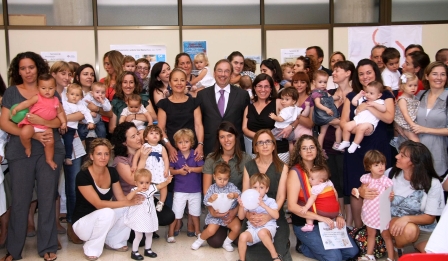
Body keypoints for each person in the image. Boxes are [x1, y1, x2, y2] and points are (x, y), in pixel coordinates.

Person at [0, 52, 65, 261]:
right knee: (20, 201)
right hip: (21, 151)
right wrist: (32, 134)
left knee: (47, 198)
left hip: (50, 149)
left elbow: (58, 122)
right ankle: (14, 250)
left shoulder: (49, 89)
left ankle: (47, 247)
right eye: (22, 68)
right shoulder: (11, 92)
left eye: (31, 67)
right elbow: (4, 123)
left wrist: (41, 123)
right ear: (17, 71)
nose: (27, 72)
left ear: (38, 67)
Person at [358, 141, 445, 258]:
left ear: (414, 162)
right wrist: (362, 191)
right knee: (410, 230)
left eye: (402, 155)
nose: (396, 156)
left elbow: (430, 218)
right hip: (394, 222)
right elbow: (368, 182)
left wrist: (407, 218)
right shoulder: (390, 174)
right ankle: (397, 247)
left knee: (432, 255)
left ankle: (406, 249)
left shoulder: (432, 183)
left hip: (425, 229)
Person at [341, 58, 395, 229]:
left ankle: (382, 231)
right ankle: (359, 230)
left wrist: (368, 107)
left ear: (376, 73)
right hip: (356, 147)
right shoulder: (352, 96)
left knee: (381, 188)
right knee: (358, 188)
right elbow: (344, 122)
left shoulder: (385, 93)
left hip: (378, 145)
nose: (365, 76)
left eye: (369, 72)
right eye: (361, 73)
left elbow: (388, 118)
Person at [287, 135, 358, 260]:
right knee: (334, 257)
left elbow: (332, 195)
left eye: (311, 147)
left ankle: (316, 246)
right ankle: (304, 246)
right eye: (304, 148)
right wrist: (320, 218)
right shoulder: (295, 172)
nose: (309, 151)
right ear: (299, 151)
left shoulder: (322, 168)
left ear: (317, 149)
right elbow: (292, 206)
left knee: (352, 252)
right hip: (307, 223)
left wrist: (339, 215)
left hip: (328, 222)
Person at [71, 138, 143, 261]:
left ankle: (114, 241)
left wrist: (135, 195)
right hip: (82, 225)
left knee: (129, 207)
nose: (103, 157)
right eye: (99, 154)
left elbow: (121, 199)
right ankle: (91, 248)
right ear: (91, 156)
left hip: (101, 219)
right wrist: (128, 201)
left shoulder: (112, 172)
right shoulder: (83, 175)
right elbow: (98, 204)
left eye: (106, 154)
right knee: (107, 211)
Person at [110, 122, 175, 242]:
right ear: (124, 142)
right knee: (139, 241)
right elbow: (133, 181)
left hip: (145, 198)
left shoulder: (147, 149)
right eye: (133, 136)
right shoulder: (120, 160)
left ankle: (147, 227)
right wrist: (143, 159)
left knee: (168, 216)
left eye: (138, 134)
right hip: (129, 202)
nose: (138, 138)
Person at [242, 129, 291, 261]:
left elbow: (281, 197)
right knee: (250, 253)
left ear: (274, 145)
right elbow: (245, 195)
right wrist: (248, 215)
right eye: (261, 143)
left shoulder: (283, 167)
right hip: (253, 214)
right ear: (255, 147)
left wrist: (269, 215)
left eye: (268, 142)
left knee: (278, 250)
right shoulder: (249, 166)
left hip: (274, 214)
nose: (265, 145)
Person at [202, 121, 252, 247]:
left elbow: (247, 191)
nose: (226, 140)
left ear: (235, 136)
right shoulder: (211, 158)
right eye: (222, 137)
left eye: (229, 135)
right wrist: (212, 210)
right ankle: (213, 225)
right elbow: (206, 190)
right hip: (217, 209)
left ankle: (231, 228)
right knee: (215, 242)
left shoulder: (246, 159)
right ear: (218, 139)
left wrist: (235, 211)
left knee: (241, 240)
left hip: (238, 209)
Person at [323, 60, 355, 224]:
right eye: (333, 71)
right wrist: (340, 121)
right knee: (334, 182)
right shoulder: (329, 93)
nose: (333, 73)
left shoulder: (356, 95)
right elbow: (321, 118)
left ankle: (350, 221)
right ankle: (340, 216)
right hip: (328, 145)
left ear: (348, 73)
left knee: (346, 182)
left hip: (347, 145)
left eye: (338, 70)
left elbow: (354, 120)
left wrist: (334, 120)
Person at [11, 74, 67, 170]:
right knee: (24, 134)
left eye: (50, 88)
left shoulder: (56, 100)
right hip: (32, 123)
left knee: (50, 142)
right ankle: (28, 147)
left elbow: (60, 113)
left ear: (55, 88)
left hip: (46, 126)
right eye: (43, 88)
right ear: (38, 88)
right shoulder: (37, 97)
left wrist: (64, 122)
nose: (47, 91)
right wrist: (17, 108)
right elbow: (26, 103)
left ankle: (49, 159)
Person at [196, 59, 250, 156]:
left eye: (227, 71)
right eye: (220, 71)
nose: (223, 74)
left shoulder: (242, 95)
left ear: (231, 74)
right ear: (214, 73)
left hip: (235, 148)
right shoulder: (202, 95)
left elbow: (246, 122)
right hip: (210, 146)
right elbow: (199, 122)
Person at [351, 150, 394, 261]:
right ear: (369, 167)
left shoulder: (386, 181)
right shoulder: (366, 179)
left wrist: (391, 196)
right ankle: (369, 255)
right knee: (371, 233)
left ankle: (391, 257)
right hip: (370, 210)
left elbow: (390, 197)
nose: (381, 167)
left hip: (382, 213)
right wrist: (357, 191)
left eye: (382, 164)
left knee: (386, 235)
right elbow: (361, 190)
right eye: (376, 165)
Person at [408, 61, 448, 176]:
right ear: (427, 76)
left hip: (439, 154)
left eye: (443, 74)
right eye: (435, 74)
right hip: (416, 155)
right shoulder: (419, 95)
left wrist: (425, 129)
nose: (439, 78)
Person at [191, 162, 241, 251]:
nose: (222, 182)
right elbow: (206, 201)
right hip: (216, 215)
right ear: (214, 177)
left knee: (237, 228)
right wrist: (211, 199)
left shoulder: (231, 187)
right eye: (219, 179)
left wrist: (234, 195)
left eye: (225, 179)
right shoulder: (212, 188)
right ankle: (199, 240)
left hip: (229, 214)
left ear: (229, 178)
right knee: (210, 231)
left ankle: (227, 243)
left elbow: (239, 195)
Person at [157, 68, 204, 162]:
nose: (179, 83)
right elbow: (160, 128)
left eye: (182, 80)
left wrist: (200, 145)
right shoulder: (163, 104)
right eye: (175, 80)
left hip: (192, 149)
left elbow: (198, 125)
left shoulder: (194, 102)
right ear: (170, 83)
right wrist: (169, 147)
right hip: (172, 150)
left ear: (186, 83)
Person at [124, 169, 172, 260]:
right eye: (141, 182)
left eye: (147, 182)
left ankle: (148, 249)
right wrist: (135, 191)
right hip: (138, 217)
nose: (144, 185)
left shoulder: (150, 189)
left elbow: (160, 186)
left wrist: (167, 181)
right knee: (138, 235)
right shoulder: (135, 190)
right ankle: (134, 251)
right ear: (136, 183)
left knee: (149, 233)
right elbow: (128, 198)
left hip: (149, 216)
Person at [243, 74, 290, 162]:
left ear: (271, 88)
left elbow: (296, 116)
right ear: (254, 88)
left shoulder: (279, 102)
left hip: (279, 151)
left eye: (266, 86)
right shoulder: (249, 107)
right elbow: (244, 129)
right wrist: (261, 138)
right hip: (257, 151)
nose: (263, 90)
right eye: (260, 86)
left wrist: (291, 127)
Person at [167, 128, 204, 241]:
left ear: (191, 142)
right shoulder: (175, 155)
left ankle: (198, 231)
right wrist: (178, 172)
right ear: (176, 144)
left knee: (195, 212)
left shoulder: (196, 154)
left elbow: (202, 168)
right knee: (176, 212)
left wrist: (191, 169)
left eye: (186, 142)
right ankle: (171, 232)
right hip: (180, 189)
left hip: (195, 189)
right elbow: (169, 170)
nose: (183, 145)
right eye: (180, 142)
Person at [237, 173, 281, 261]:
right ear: (251, 189)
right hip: (253, 228)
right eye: (255, 187)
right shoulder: (248, 200)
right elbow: (241, 217)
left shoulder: (270, 201)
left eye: (261, 187)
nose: (258, 190)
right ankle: (241, 259)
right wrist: (241, 206)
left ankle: (275, 257)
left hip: (267, 228)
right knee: (242, 236)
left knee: (262, 233)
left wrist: (264, 205)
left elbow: (276, 215)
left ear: (267, 189)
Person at [339, 81, 386, 153]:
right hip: (358, 120)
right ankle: (346, 141)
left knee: (361, 128)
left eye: (371, 93)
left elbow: (384, 109)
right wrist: (359, 95)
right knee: (347, 126)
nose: (368, 95)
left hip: (369, 123)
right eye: (367, 92)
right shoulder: (363, 99)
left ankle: (355, 144)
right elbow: (354, 102)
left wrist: (373, 104)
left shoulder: (379, 102)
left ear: (379, 95)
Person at [132, 125, 169, 211]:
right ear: (146, 137)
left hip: (159, 170)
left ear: (160, 137)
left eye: (157, 133)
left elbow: (166, 158)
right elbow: (136, 156)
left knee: (164, 185)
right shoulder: (144, 146)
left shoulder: (161, 147)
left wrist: (166, 169)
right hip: (148, 170)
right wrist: (134, 165)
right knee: (148, 185)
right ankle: (150, 200)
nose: (154, 135)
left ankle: (161, 202)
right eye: (151, 133)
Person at [299, 165, 339, 232]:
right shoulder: (329, 183)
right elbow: (335, 193)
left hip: (323, 211)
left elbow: (312, 199)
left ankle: (309, 225)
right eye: (309, 177)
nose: (309, 179)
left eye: (312, 179)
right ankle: (332, 224)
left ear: (320, 181)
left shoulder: (316, 187)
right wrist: (336, 202)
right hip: (335, 211)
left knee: (309, 210)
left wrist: (305, 207)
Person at [61, 84, 94, 165]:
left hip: (71, 128)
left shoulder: (80, 106)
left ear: (81, 97)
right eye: (72, 94)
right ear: (67, 95)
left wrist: (90, 122)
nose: (74, 97)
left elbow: (87, 113)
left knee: (68, 142)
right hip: (60, 126)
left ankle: (68, 157)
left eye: (77, 95)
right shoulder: (63, 103)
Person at [269, 87, 309, 152]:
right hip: (291, 133)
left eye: (287, 99)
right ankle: (291, 156)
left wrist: (274, 117)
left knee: (269, 136)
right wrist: (307, 107)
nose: (283, 101)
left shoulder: (286, 110)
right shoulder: (296, 108)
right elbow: (304, 114)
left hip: (280, 130)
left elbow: (281, 119)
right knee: (290, 143)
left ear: (294, 101)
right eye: (282, 99)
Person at [311, 70, 342, 149]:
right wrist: (326, 109)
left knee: (322, 133)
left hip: (325, 116)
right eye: (320, 82)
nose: (323, 84)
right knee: (341, 124)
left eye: (325, 82)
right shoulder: (316, 93)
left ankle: (320, 149)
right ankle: (337, 143)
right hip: (324, 116)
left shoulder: (325, 91)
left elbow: (330, 98)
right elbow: (318, 104)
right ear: (314, 82)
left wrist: (337, 97)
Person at [393, 73, 420, 143]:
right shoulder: (402, 100)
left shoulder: (414, 97)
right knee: (416, 141)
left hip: (411, 123)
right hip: (406, 125)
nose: (413, 88)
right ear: (403, 86)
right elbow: (405, 114)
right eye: (410, 85)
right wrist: (412, 125)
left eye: (415, 85)